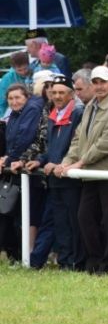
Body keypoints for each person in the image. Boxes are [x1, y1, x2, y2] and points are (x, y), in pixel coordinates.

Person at [55, 66, 108, 273]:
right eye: (95, 82)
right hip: (89, 173)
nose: (99, 86)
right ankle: (95, 261)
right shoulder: (90, 106)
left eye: (102, 82)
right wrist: (66, 161)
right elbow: (79, 137)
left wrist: (79, 163)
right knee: (85, 218)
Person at [35, 75, 84, 270]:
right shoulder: (53, 114)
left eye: (61, 92)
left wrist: (59, 164)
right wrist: (39, 160)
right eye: (54, 92)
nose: (57, 96)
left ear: (71, 94)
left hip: (69, 177)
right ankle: (65, 260)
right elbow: (51, 148)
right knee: (60, 221)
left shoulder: (77, 113)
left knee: (73, 221)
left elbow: (77, 146)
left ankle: (75, 261)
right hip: (54, 177)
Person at [0, 84, 45, 259]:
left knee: (30, 213)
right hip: (15, 166)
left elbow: (25, 138)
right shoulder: (14, 115)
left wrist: (9, 159)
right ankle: (21, 254)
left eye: (18, 97)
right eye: (10, 98)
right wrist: (6, 158)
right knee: (18, 214)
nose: (14, 101)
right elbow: (11, 141)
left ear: (26, 97)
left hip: (29, 167)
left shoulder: (31, 110)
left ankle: (29, 255)